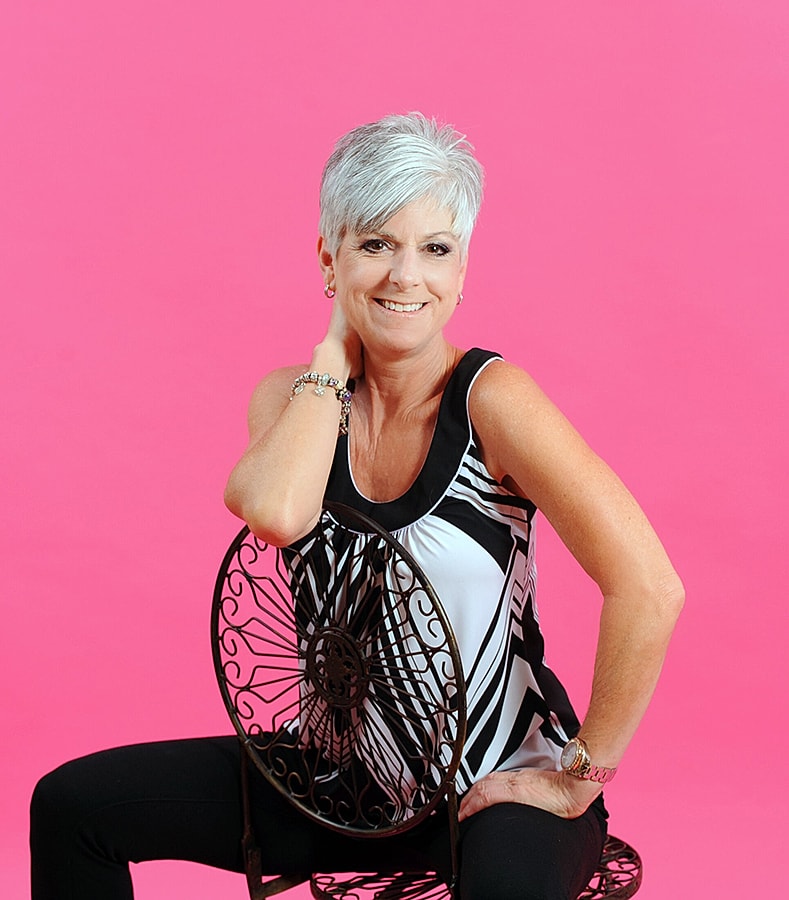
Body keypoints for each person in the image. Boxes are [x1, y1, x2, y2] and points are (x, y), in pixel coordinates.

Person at [30, 113, 683, 900]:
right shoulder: (295, 400)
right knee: (73, 807)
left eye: (434, 249)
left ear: (462, 267)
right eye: (375, 244)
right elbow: (272, 510)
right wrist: (334, 354)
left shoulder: (491, 401)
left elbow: (649, 588)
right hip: (342, 784)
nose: (407, 276)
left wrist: (578, 775)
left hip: (496, 786)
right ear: (328, 258)